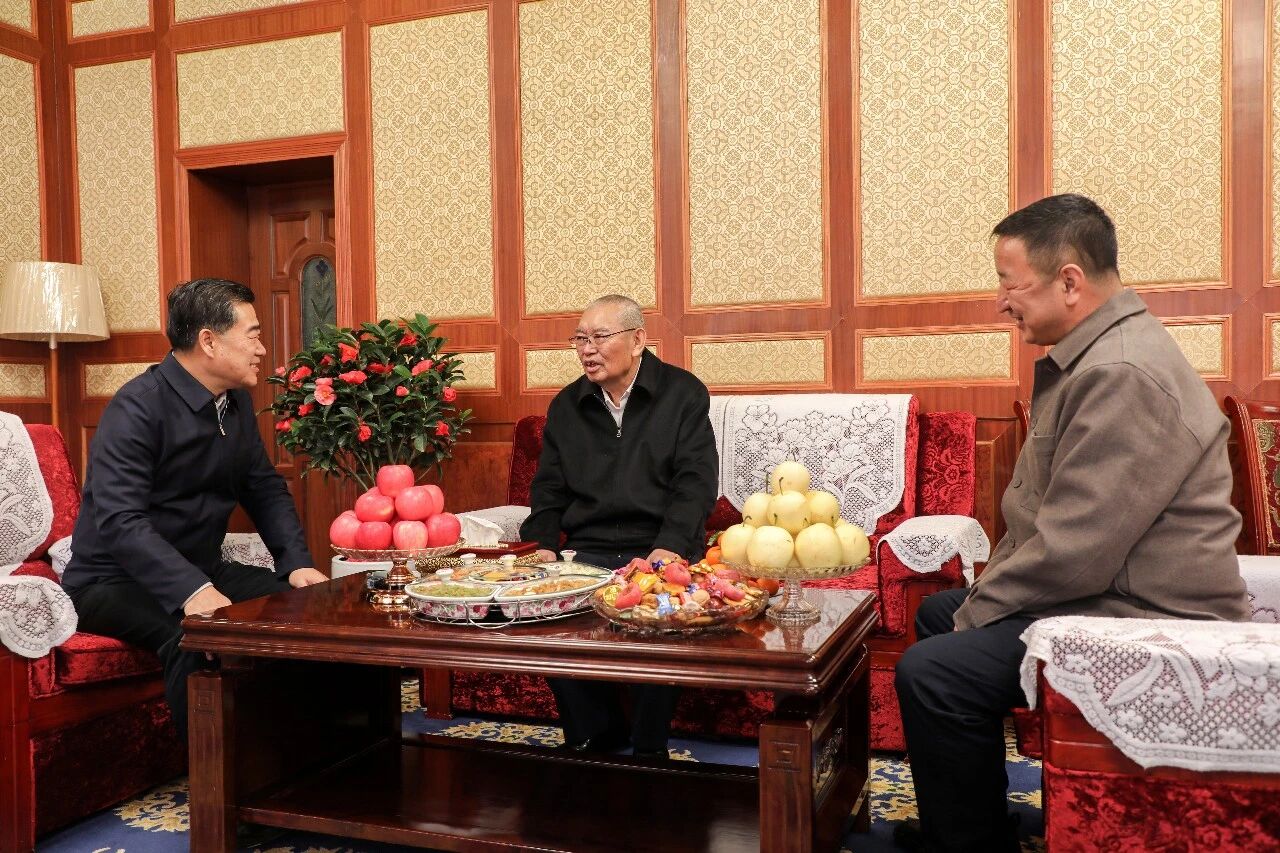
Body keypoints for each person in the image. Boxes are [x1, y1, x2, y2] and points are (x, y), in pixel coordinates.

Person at [893, 195, 1250, 853]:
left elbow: (1074, 551)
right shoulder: (1102, 352)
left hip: (1144, 610)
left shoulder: (1122, 371)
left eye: (1009, 284)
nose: (1000, 302)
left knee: (932, 671)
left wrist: (981, 609)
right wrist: (976, 605)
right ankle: (970, 821)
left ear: (1069, 281)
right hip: (1110, 587)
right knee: (940, 615)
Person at [62, 279, 327, 738]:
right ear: (208, 341)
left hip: (202, 567)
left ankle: (306, 756)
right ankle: (213, 779)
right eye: (252, 335)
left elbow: (263, 487)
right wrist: (190, 589)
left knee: (296, 610)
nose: (262, 349)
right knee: (195, 635)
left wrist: (297, 563)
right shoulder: (137, 407)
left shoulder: (235, 401)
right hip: (111, 582)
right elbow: (121, 521)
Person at [520, 294, 718, 758]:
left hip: (659, 546)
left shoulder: (682, 393)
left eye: (600, 337)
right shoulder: (567, 405)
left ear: (638, 340)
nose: (587, 349)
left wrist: (670, 545)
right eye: (580, 339)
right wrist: (541, 545)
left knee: (661, 619)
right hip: (586, 550)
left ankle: (649, 750)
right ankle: (594, 739)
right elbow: (548, 490)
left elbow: (695, 482)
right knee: (546, 616)